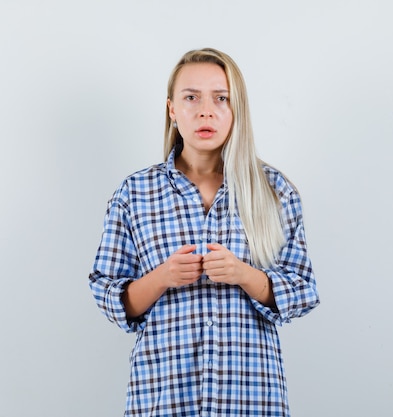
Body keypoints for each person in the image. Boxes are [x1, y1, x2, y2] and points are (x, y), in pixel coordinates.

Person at [89, 47, 319, 417]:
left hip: (252, 397)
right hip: (162, 397)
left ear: (236, 109)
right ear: (172, 110)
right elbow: (109, 296)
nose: (205, 110)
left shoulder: (274, 191)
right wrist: (163, 277)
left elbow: (303, 290)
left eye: (221, 98)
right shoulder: (135, 194)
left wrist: (244, 275)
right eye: (191, 97)